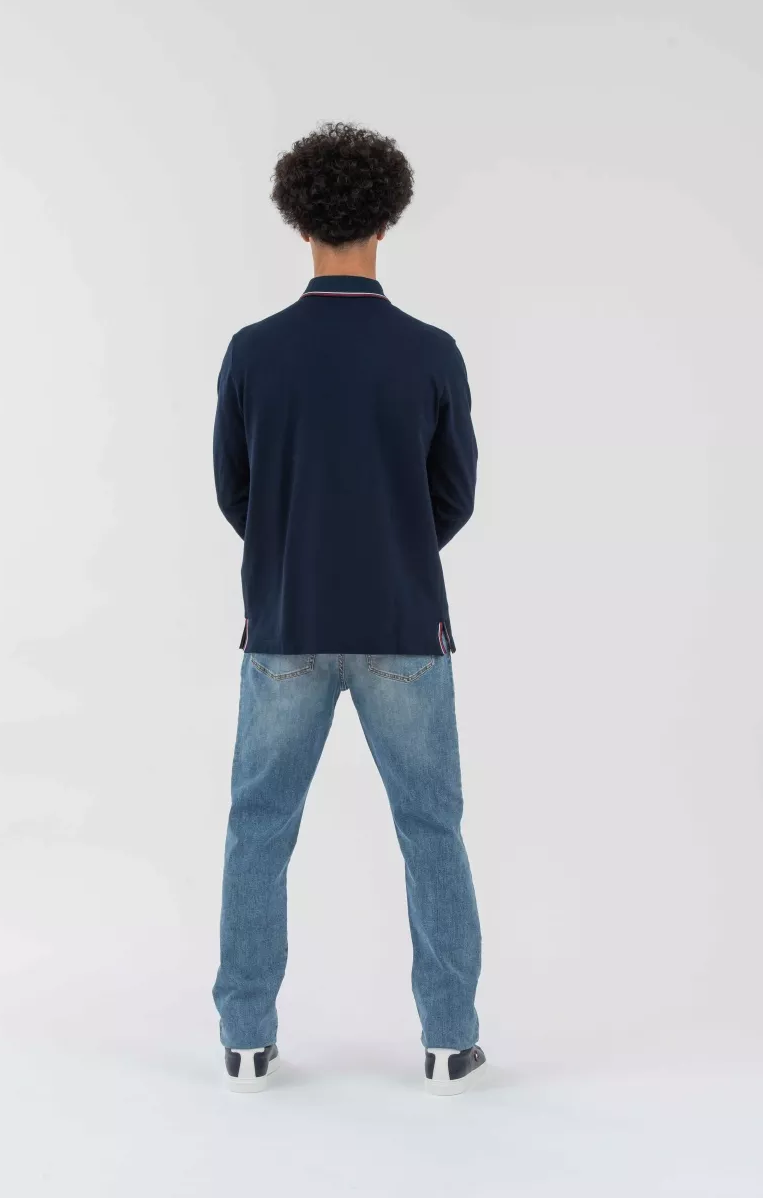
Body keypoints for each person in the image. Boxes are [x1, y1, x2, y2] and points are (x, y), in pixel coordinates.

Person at [212, 122, 484, 1096]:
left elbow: (236, 495)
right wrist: (393, 545)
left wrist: (296, 546)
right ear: (385, 220)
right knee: (430, 830)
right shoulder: (429, 352)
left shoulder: (254, 352)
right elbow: (453, 495)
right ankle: (448, 1041)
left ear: (300, 224)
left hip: (284, 625)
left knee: (258, 827)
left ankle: (246, 1040)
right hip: (404, 627)